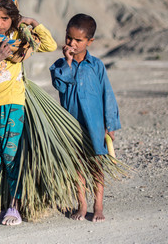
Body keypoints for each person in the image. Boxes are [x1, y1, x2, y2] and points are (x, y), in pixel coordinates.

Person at [0, 0, 57, 225]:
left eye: (5, 18)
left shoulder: (22, 37)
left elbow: (50, 45)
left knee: (11, 156)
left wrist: (35, 24)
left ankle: (14, 207)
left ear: (13, 19)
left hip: (14, 105)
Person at [49, 13, 121, 222]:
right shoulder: (59, 66)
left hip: (95, 125)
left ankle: (98, 206)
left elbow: (107, 93)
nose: (72, 43)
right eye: (69, 38)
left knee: (96, 165)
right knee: (77, 166)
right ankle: (82, 205)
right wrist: (68, 62)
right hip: (72, 125)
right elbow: (60, 85)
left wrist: (110, 125)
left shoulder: (96, 65)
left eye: (78, 40)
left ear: (90, 41)